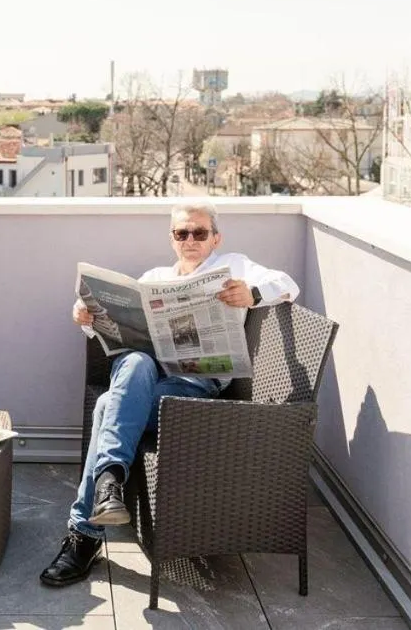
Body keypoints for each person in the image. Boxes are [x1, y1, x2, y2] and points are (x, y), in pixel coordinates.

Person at [39, 202, 299, 586]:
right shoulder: (155, 277)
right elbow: (115, 333)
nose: (190, 240)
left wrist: (253, 294)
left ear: (215, 237)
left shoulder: (235, 265)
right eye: (182, 233)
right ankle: (107, 488)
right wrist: (87, 320)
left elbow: (289, 285)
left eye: (199, 232)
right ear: (172, 238)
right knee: (136, 364)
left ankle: (87, 530)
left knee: (109, 405)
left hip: (192, 391)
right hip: (145, 383)